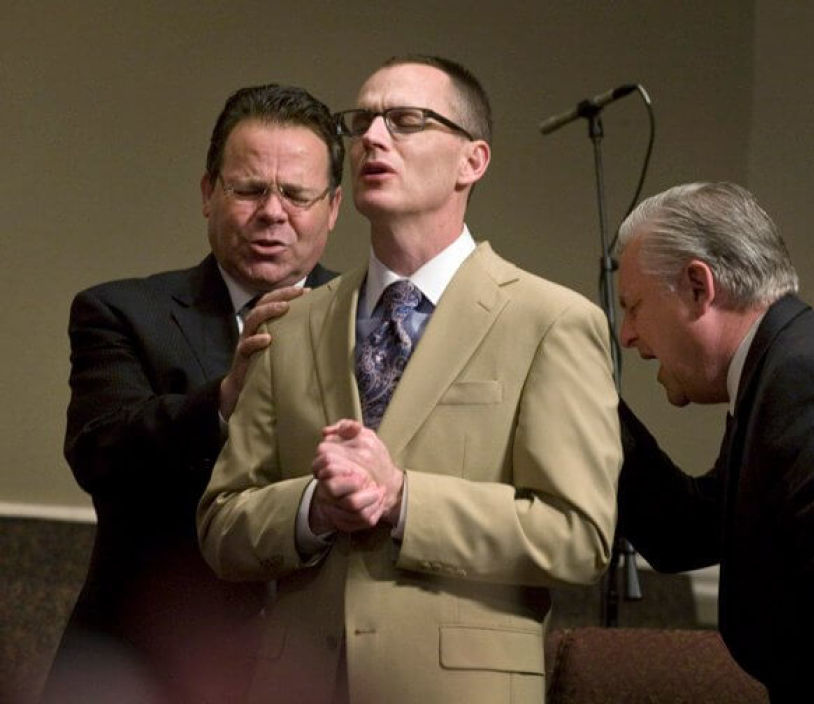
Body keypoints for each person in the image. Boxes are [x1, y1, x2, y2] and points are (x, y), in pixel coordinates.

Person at [197, 55, 621, 704]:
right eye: (362, 120)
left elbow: (579, 539)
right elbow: (222, 526)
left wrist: (403, 499)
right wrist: (313, 509)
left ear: (472, 161)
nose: (371, 136)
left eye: (406, 121)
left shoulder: (551, 322)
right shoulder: (291, 321)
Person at [43, 84, 343, 704]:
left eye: (296, 194)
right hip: (145, 664)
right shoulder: (122, 311)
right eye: (250, 189)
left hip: (315, 669)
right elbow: (100, 453)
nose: (273, 212)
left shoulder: (373, 322)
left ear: (333, 208)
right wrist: (227, 395)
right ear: (208, 193)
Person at [615, 181, 814, 702]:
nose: (627, 335)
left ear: (699, 287)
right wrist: (584, 403)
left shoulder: (812, 380)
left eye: (633, 306)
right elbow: (685, 532)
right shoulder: (776, 372)